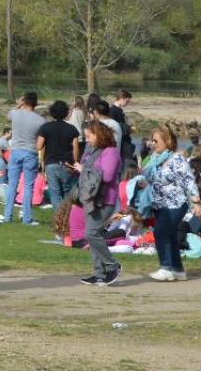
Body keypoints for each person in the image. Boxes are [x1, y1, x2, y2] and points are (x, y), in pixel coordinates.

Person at [141, 127, 200, 282]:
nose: (153, 144)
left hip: (176, 204)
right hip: (159, 204)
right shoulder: (154, 158)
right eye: (152, 141)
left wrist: (196, 202)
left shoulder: (176, 159)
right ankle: (178, 270)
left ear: (167, 141)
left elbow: (188, 181)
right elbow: (150, 179)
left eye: (156, 141)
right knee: (171, 235)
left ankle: (165, 267)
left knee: (160, 232)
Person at [76, 120, 123, 286]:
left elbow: (108, 176)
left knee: (91, 233)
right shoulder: (95, 151)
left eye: (90, 136)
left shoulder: (111, 152)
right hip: (92, 199)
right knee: (93, 235)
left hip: (105, 199)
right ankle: (99, 273)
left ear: (100, 135)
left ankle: (112, 265)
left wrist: (85, 171)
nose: (88, 139)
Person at [2, 92, 45, 225]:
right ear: (36, 103)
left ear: (24, 101)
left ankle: (7, 216)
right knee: (28, 186)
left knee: (12, 185)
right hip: (31, 153)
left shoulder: (16, 114)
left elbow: (6, 117)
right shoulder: (40, 120)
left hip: (15, 151)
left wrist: (18, 105)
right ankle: (27, 218)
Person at [38, 101, 81, 211]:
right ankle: (69, 217)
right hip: (66, 164)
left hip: (51, 163)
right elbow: (76, 148)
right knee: (68, 192)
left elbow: (39, 146)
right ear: (66, 113)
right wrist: (75, 161)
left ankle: (59, 219)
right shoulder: (72, 129)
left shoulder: (45, 127)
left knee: (55, 193)